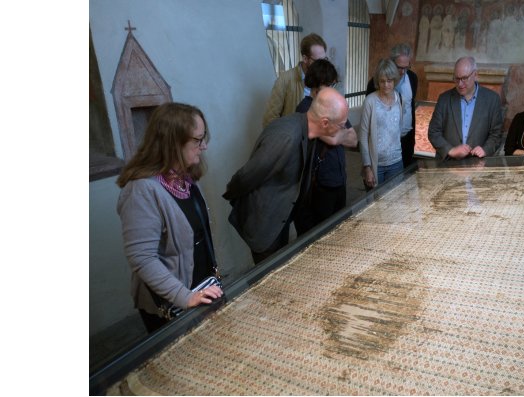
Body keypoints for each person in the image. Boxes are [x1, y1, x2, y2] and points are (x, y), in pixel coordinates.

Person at [116, 102, 223, 333]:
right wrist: (184, 296)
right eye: (197, 140)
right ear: (173, 143)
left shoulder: (185, 177)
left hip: (201, 287)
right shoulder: (142, 191)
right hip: (173, 301)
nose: (203, 146)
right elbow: (142, 258)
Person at [224, 88, 350, 264]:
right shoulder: (286, 137)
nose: (344, 128)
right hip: (265, 224)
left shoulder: (308, 130)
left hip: (281, 216)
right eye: (341, 124)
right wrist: (231, 195)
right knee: (268, 276)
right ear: (325, 122)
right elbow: (247, 175)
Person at [293, 59, 357, 234]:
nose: (331, 89)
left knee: (339, 232)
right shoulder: (305, 109)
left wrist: (338, 134)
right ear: (315, 86)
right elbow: (334, 140)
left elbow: (353, 139)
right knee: (320, 235)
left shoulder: (333, 105)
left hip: (339, 180)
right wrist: (340, 134)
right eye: (327, 85)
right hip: (319, 186)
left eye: (332, 85)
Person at [427, 56, 503, 160]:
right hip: (448, 164)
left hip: (478, 163)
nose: (460, 84)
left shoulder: (492, 99)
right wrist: (450, 150)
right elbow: (433, 132)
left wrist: (485, 149)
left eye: (464, 78)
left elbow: (496, 134)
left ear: (475, 75)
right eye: (457, 79)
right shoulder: (444, 99)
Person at [366, 43, 418, 168]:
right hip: (384, 143)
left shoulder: (412, 78)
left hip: (407, 137)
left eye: (407, 67)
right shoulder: (375, 83)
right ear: (392, 62)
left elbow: (409, 107)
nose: (403, 71)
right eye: (400, 67)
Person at [262, 33, 328, 128]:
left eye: (324, 60)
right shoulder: (285, 79)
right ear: (305, 59)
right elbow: (269, 119)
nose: (322, 66)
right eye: (318, 62)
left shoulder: (324, 79)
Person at [359, 59, 404, 190]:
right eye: (382, 81)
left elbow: (398, 129)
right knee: (375, 205)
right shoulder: (370, 101)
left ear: (394, 80)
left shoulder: (399, 98)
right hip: (375, 164)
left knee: (394, 203)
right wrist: (367, 168)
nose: (386, 85)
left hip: (396, 162)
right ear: (377, 81)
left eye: (389, 81)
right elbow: (362, 137)